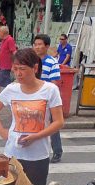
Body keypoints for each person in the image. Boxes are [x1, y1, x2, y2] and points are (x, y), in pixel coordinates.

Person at [0, 48, 64, 185]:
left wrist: (36, 136)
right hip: (13, 154)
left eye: (22, 69)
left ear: (35, 68)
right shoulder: (11, 89)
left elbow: (58, 122)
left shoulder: (50, 90)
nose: (18, 74)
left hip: (38, 157)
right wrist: (2, 131)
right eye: (15, 69)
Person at [33, 34, 63, 164]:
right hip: (32, 99)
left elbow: (55, 82)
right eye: (36, 44)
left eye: (40, 44)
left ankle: (57, 151)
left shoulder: (52, 62)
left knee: (52, 125)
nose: (37, 47)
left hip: (47, 100)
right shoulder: (31, 61)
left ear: (46, 46)